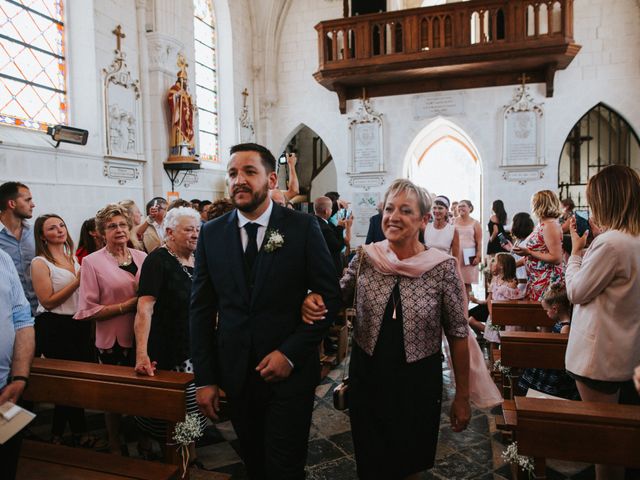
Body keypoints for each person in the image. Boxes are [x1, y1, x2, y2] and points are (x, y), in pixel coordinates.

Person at [304, 179, 475, 480]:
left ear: (423, 220)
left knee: (411, 463)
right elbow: (334, 297)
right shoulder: (367, 258)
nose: (393, 217)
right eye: (390, 208)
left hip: (418, 380)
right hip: (368, 374)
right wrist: (310, 300)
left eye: (405, 210)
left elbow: (459, 334)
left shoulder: (442, 267)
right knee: (371, 461)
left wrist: (462, 395)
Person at [190, 143, 340, 479]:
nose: (238, 180)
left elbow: (329, 296)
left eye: (249, 172)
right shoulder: (212, 234)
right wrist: (206, 378)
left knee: (285, 467)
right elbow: (200, 309)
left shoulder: (301, 227)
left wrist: (289, 354)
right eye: (232, 174)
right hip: (237, 374)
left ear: (271, 179)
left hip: (290, 373)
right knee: (255, 463)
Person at [564, 165, 640, 480]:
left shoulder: (611, 243)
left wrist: (577, 253)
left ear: (606, 200)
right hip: (623, 352)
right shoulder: (632, 239)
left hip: (598, 359)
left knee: (606, 452)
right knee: (619, 446)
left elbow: (576, 291)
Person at [74, 203, 146, 454]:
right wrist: (127, 306)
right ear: (101, 232)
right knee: (114, 397)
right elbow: (86, 310)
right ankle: (115, 442)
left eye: (123, 224)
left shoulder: (142, 257)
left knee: (142, 394)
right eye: (111, 226)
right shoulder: (92, 262)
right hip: (112, 340)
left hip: (143, 338)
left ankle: (144, 440)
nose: (119, 230)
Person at [134, 207, 207, 452]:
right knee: (175, 410)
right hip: (170, 347)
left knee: (194, 407)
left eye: (198, 229)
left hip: (196, 345)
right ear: (169, 232)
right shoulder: (158, 261)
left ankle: (188, 455)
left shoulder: (198, 259)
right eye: (188, 229)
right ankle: (177, 459)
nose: (195, 234)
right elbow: (144, 308)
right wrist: (141, 353)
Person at [30, 214, 98, 446]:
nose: (59, 230)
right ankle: (80, 433)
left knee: (73, 382)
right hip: (54, 325)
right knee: (67, 383)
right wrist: (77, 282)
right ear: (42, 235)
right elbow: (47, 301)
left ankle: (58, 435)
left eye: (61, 225)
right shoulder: (40, 262)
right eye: (52, 228)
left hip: (77, 324)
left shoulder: (72, 258)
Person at [0, 249, 35, 480]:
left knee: (5, 467)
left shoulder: (2, 258)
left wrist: (20, 378)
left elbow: (22, 317)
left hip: (6, 391)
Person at [518, 283, 579, 400]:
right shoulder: (561, 323)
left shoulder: (565, 327)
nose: (546, 313)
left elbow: (561, 351)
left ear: (555, 309)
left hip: (557, 368)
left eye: (546, 310)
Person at [513, 190, 564, 301]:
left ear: (541, 204)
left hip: (547, 281)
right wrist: (512, 265)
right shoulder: (542, 224)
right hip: (536, 279)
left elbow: (556, 258)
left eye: (534, 202)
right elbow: (538, 253)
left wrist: (529, 252)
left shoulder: (550, 225)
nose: (532, 206)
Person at [0, 181, 37, 315]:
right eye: (28, 200)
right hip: (9, 313)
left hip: (40, 310)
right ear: (12, 204)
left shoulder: (35, 233)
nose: (33, 204)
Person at [469, 253, 524, 339]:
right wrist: (492, 314)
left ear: (501, 266)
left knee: (504, 338)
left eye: (494, 261)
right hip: (494, 315)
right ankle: (485, 341)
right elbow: (489, 299)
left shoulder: (511, 284)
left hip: (506, 318)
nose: (491, 262)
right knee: (492, 338)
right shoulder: (495, 280)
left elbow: (514, 303)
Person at [314, 196, 348, 277]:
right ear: (326, 211)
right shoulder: (325, 228)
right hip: (329, 267)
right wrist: (340, 227)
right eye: (331, 209)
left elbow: (325, 212)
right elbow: (338, 246)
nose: (332, 210)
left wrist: (336, 204)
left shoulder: (313, 220)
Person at [453, 199, 482, 294]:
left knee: (467, 282)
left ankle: (468, 305)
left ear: (470, 208)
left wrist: (478, 256)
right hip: (455, 255)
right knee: (454, 282)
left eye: (463, 206)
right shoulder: (453, 221)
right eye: (459, 206)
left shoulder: (475, 223)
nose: (460, 208)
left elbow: (479, 241)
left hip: (468, 256)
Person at [424, 195, 460, 259]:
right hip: (427, 267)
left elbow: (456, 258)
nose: (437, 211)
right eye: (434, 208)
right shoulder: (426, 227)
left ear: (446, 210)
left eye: (440, 208)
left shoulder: (453, 230)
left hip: (444, 267)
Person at [504, 212, 534, 283]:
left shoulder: (527, 242)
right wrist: (510, 248)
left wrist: (508, 267)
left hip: (523, 280)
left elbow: (523, 259)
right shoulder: (519, 241)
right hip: (519, 277)